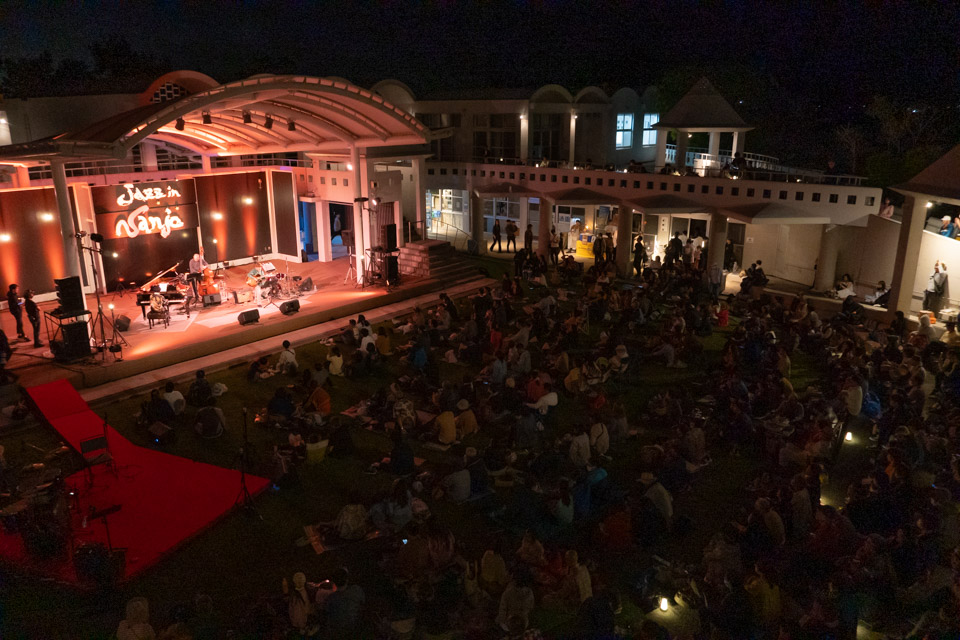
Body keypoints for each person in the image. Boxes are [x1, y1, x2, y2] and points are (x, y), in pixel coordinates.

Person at [323, 568, 365, 636]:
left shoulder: (330, 599)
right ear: (347, 579)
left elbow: (328, 618)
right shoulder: (356, 590)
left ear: (334, 582)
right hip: (357, 632)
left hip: (339, 634)